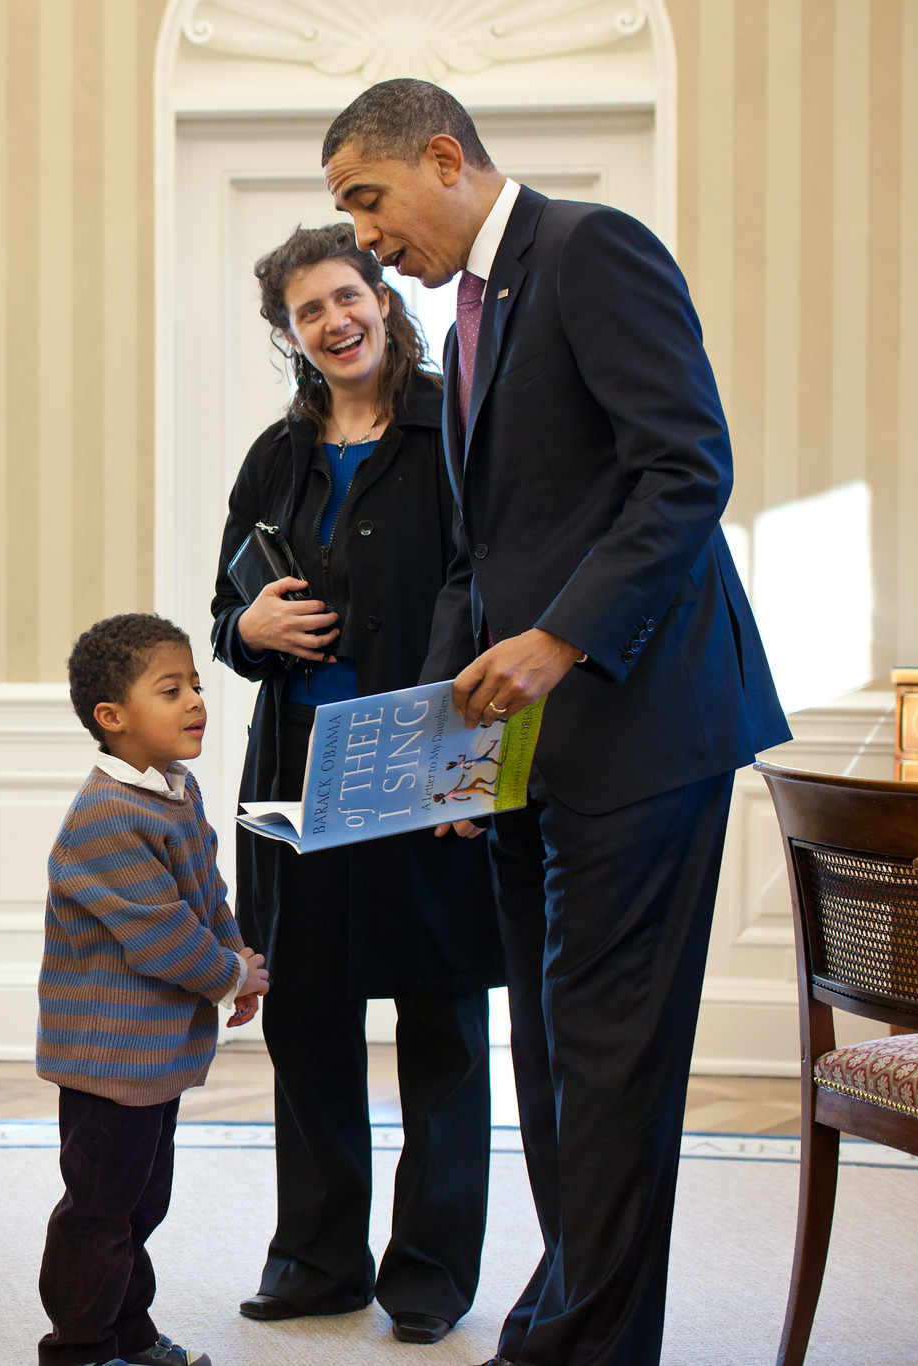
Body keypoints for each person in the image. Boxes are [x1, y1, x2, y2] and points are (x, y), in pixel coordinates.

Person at [321, 79, 790, 1366]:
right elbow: (482, 556)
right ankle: (565, 1303)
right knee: (547, 1046)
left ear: (442, 157)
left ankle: (587, 1341)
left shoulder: (591, 251)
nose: (362, 237)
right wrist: (439, 745)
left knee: (607, 1052)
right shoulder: (472, 310)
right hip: (528, 754)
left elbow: (685, 466)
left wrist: (563, 638)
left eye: (366, 198)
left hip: (642, 726)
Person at [209, 224, 504, 1347]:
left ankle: (428, 1273)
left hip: (426, 764)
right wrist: (247, 624)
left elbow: (490, 585)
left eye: (347, 297)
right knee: (310, 1018)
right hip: (293, 774)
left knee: (440, 1024)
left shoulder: (456, 426)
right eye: (307, 312)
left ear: (381, 298)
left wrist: (464, 764)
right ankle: (316, 1259)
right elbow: (222, 620)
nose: (333, 322)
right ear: (288, 334)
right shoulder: (271, 457)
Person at [37, 613, 270, 1366]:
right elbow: (162, 932)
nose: (196, 701)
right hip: (108, 1057)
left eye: (196, 685)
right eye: (171, 690)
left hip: (155, 1054)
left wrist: (233, 952)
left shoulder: (175, 789)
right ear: (113, 718)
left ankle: (127, 1335)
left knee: (141, 1205)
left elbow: (204, 891)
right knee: (99, 1212)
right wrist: (228, 972)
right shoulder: (107, 816)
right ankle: (78, 1348)